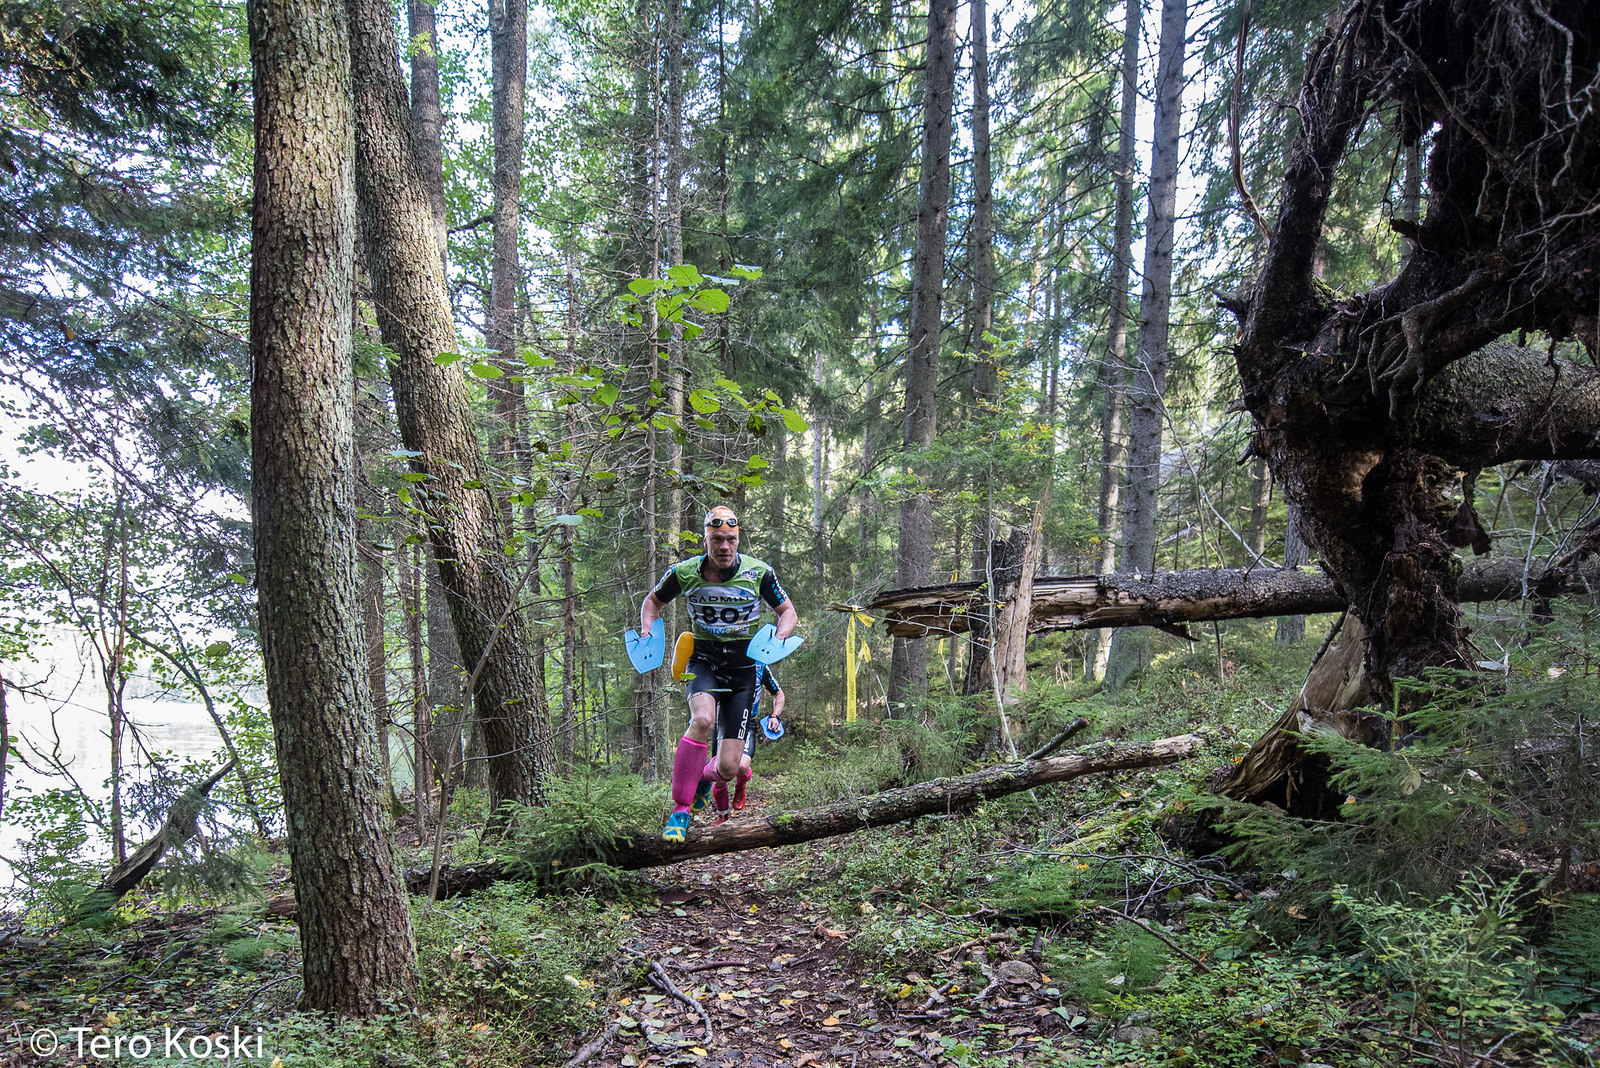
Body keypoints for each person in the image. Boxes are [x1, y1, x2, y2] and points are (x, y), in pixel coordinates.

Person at [640, 505, 798, 843]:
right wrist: (646, 634)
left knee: (728, 768)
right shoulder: (683, 572)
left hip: (743, 670)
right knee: (702, 721)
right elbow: (652, 603)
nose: (724, 547)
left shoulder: (759, 573)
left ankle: (702, 779)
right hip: (704, 661)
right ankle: (681, 811)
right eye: (716, 540)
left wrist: (780, 637)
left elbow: (787, 612)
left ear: (738, 539)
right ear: (706, 540)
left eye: (730, 540)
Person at [709, 663, 784, 824]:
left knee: (742, 766)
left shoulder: (760, 666)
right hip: (721, 721)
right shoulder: (722, 659)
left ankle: (740, 785)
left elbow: (778, 693)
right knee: (719, 774)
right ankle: (723, 816)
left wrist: (775, 716)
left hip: (746, 720)